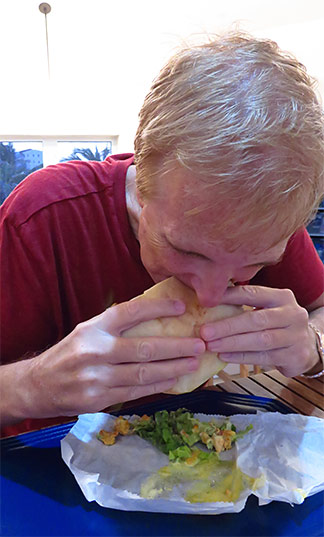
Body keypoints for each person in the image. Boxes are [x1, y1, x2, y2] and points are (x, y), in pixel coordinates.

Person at [1, 32, 324, 437]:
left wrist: (313, 346)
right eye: (187, 250)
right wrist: (31, 386)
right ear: (143, 178)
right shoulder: (41, 215)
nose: (210, 295)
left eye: (254, 264)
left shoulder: (263, 219)